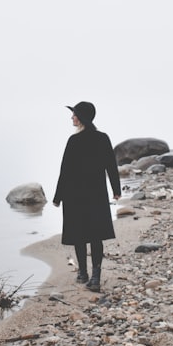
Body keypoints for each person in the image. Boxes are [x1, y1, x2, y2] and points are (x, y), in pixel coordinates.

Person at [53, 101, 122, 292]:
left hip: (74, 195)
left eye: (74, 114)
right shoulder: (103, 138)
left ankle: (83, 273)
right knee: (95, 235)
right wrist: (116, 189)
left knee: (79, 235)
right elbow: (111, 166)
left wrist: (58, 197)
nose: (71, 117)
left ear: (81, 117)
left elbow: (65, 171)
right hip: (96, 194)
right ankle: (95, 276)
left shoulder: (73, 141)